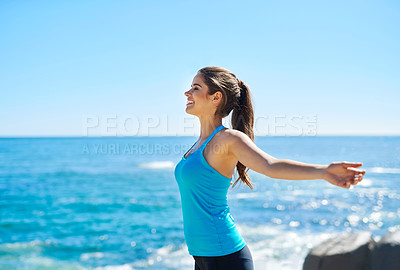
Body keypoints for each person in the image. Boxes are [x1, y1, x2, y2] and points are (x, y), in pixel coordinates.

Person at [174, 66, 366, 270]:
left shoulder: (228, 139)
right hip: (201, 256)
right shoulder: (199, 144)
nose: (187, 92)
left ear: (216, 97)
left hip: (224, 256)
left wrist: (324, 171)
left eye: (196, 87)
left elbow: (270, 165)